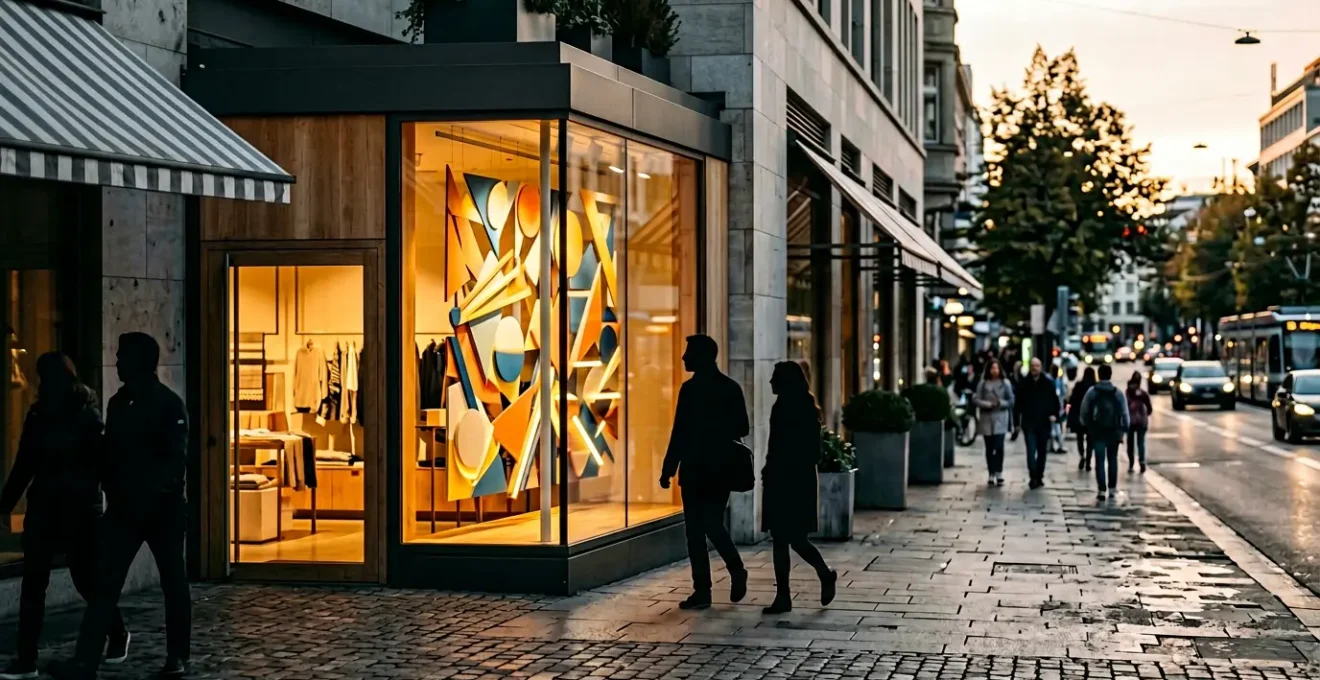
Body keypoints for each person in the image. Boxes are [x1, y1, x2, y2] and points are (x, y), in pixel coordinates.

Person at [52, 333, 191, 680]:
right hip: (124, 512)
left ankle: (177, 657)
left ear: (140, 362)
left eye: (122, 356)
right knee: (104, 586)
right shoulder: (118, 404)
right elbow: (111, 452)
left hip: (161, 512)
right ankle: (85, 661)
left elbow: (174, 462)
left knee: (173, 584)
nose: (116, 362)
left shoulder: (168, 404)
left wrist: (143, 492)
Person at [0, 354, 128, 680]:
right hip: (45, 509)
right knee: (33, 585)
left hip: (78, 511)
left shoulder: (86, 416)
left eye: (45, 376)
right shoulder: (39, 415)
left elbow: (103, 466)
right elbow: (24, 465)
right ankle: (26, 660)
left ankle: (116, 631)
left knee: (86, 580)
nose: (41, 383)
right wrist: (4, 506)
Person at [660, 335, 750, 611]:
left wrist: (669, 468)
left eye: (688, 353)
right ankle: (714, 582)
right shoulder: (730, 387)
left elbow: (680, 433)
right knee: (706, 525)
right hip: (717, 467)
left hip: (699, 467)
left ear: (701, 356)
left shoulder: (691, 390)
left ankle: (711, 585)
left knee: (699, 528)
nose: (684, 358)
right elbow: (743, 428)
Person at [760, 362, 836, 615]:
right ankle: (784, 596)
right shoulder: (789, 406)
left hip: (792, 479)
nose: (770, 382)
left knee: (793, 538)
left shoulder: (795, 408)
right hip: (787, 478)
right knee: (781, 539)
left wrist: (778, 466)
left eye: (774, 378)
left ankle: (823, 575)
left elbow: (809, 450)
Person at [1079, 364, 1130, 500]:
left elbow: (1084, 411)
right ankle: (1112, 489)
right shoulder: (1117, 392)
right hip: (1113, 431)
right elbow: (1125, 413)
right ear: (1110, 375)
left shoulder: (1092, 391)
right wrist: (1124, 428)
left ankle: (1102, 489)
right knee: (1113, 459)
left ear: (1099, 375)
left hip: (1097, 431)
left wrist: (1087, 425)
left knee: (1099, 460)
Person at [1016, 358, 1060, 489]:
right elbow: (1018, 404)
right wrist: (1016, 423)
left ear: (1041, 367)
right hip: (1029, 423)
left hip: (1044, 423)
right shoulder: (1024, 383)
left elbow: (1055, 402)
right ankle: (1033, 476)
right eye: (1033, 365)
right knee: (1031, 451)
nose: (1035, 368)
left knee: (1042, 452)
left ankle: (1039, 475)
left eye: (1037, 366)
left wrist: (1054, 415)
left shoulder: (1048, 383)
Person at [973, 360, 1014, 486]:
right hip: (986, 419)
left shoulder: (1005, 383)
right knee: (989, 448)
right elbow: (976, 399)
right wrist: (988, 404)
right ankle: (991, 472)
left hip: (1001, 418)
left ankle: (999, 472)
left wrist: (1001, 403)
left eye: (996, 368)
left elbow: (1011, 400)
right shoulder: (983, 383)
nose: (994, 370)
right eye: (992, 368)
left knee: (999, 447)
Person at [1067, 367, 1097, 471]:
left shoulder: (1079, 385)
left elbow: (1072, 399)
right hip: (1091, 418)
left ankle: (1082, 455)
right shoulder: (1095, 387)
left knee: (1080, 438)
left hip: (1079, 416)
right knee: (1090, 440)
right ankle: (1088, 460)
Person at [1126, 373, 1153, 473]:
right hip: (1141, 421)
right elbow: (1149, 409)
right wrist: (1144, 415)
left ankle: (1131, 462)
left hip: (1130, 421)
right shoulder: (1143, 394)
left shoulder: (1128, 393)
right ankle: (1141, 461)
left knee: (1130, 443)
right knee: (1141, 442)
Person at [1049, 364, 1069, 453]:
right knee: (1056, 427)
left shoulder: (1051, 381)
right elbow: (1063, 393)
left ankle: (1053, 445)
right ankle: (1058, 445)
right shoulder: (1057, 381)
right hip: (1057, 407)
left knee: (1054, 427)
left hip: (1053, 407)